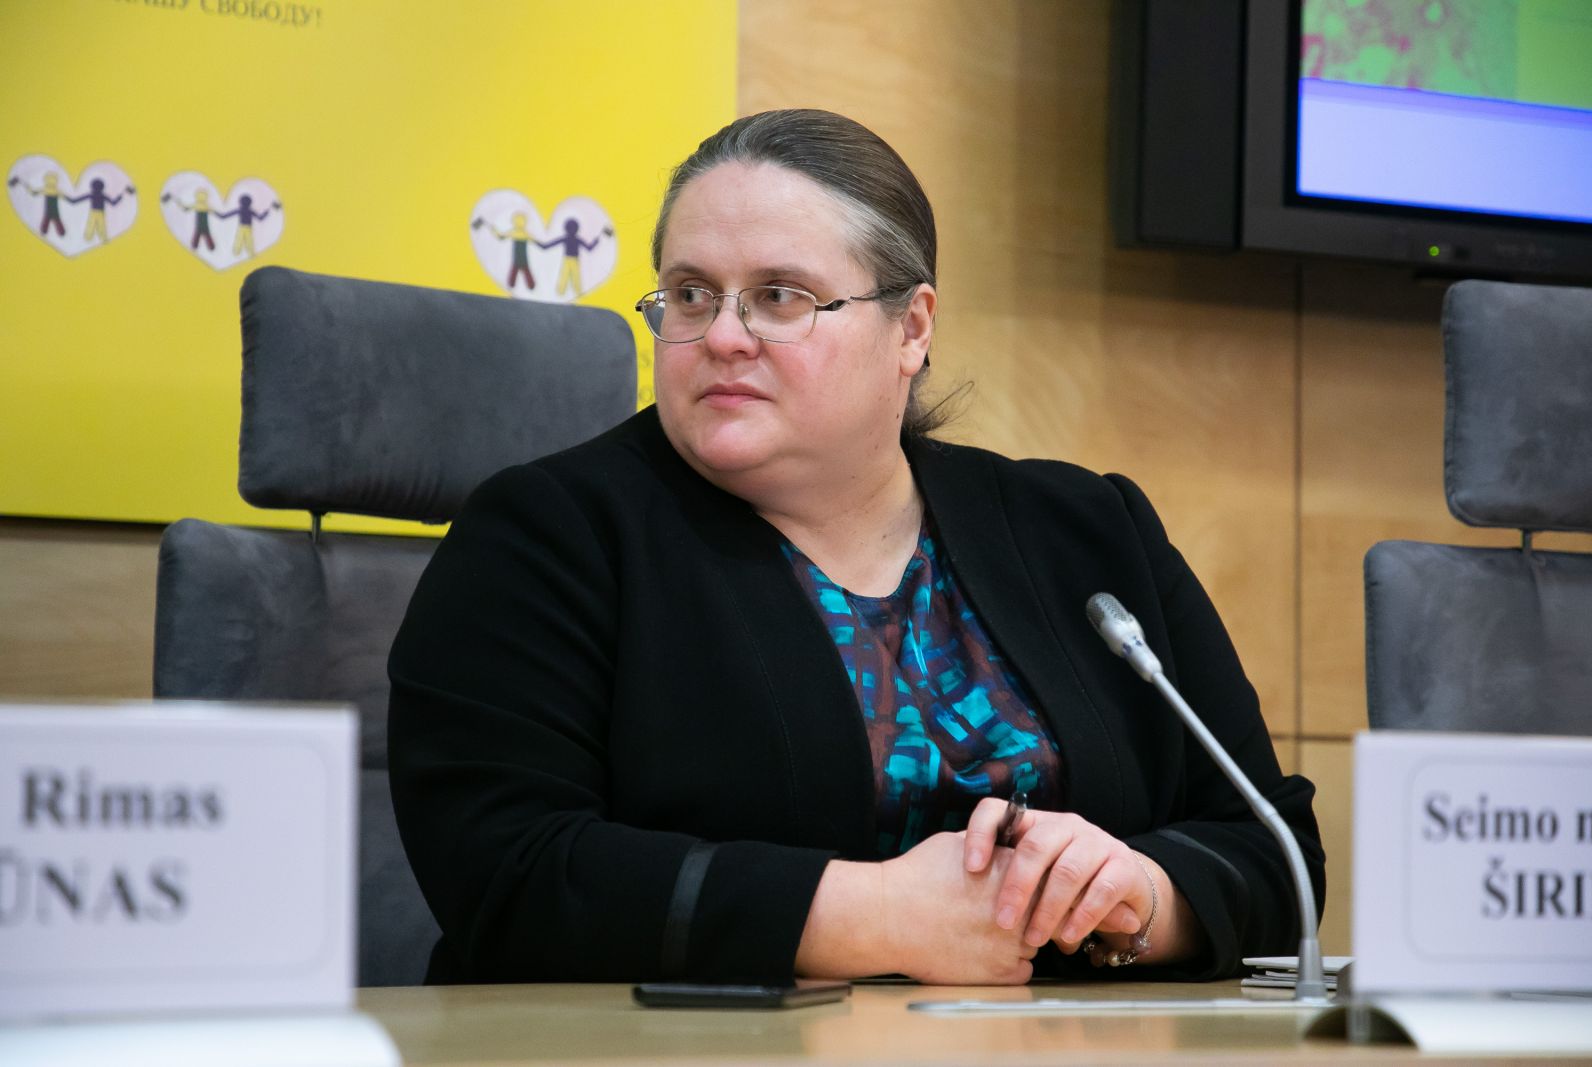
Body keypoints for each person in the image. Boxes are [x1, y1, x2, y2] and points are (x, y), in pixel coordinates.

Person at [388, 108, 1323, 986]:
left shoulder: (1088, 529)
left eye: (778, 296)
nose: (722, 336)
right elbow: (505, 870)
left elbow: (1278, 853)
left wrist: (1139, 896)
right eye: (691, 294)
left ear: (910, 328)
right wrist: (875, 915)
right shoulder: (547, 534)